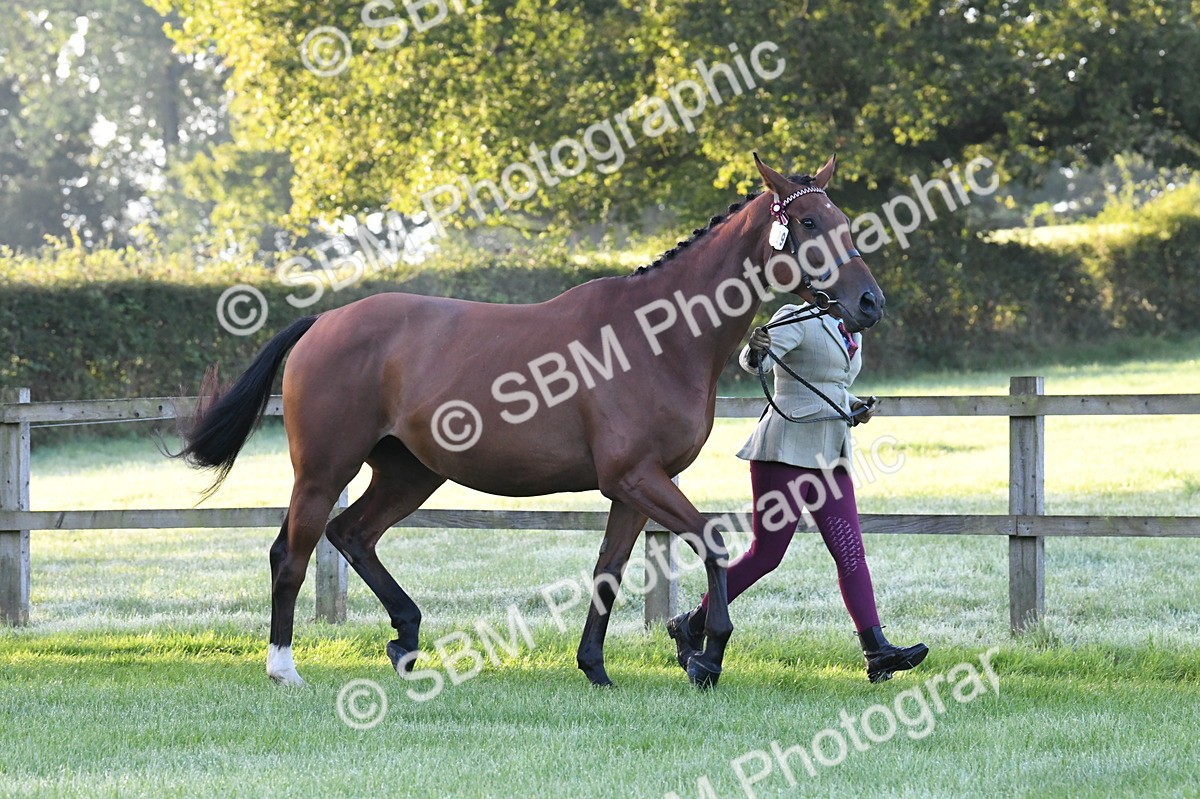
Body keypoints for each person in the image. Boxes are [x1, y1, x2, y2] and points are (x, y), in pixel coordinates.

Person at [667, 304, 928, 683]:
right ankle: (693, 622)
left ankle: (877, 652)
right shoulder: (798, 315)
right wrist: (755, 348)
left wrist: (853, 406)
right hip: (785, 451)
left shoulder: (852, 324)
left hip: (831, 454)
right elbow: (757, 361)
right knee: (766, 556)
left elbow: (830, 384)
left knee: (851, 554)